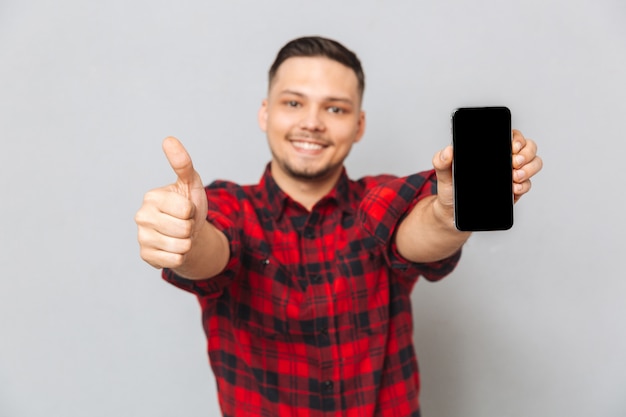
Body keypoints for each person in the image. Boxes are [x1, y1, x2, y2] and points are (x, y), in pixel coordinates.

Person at [135, 36, 542, 417]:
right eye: (293, 103)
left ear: (359, 124)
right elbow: (212, 248)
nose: (312, 122)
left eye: (335, 108)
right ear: (265, 111)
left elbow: (418, 227)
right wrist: (185, 238)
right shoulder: (229, 207)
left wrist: (448, 212)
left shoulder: (377, 199)